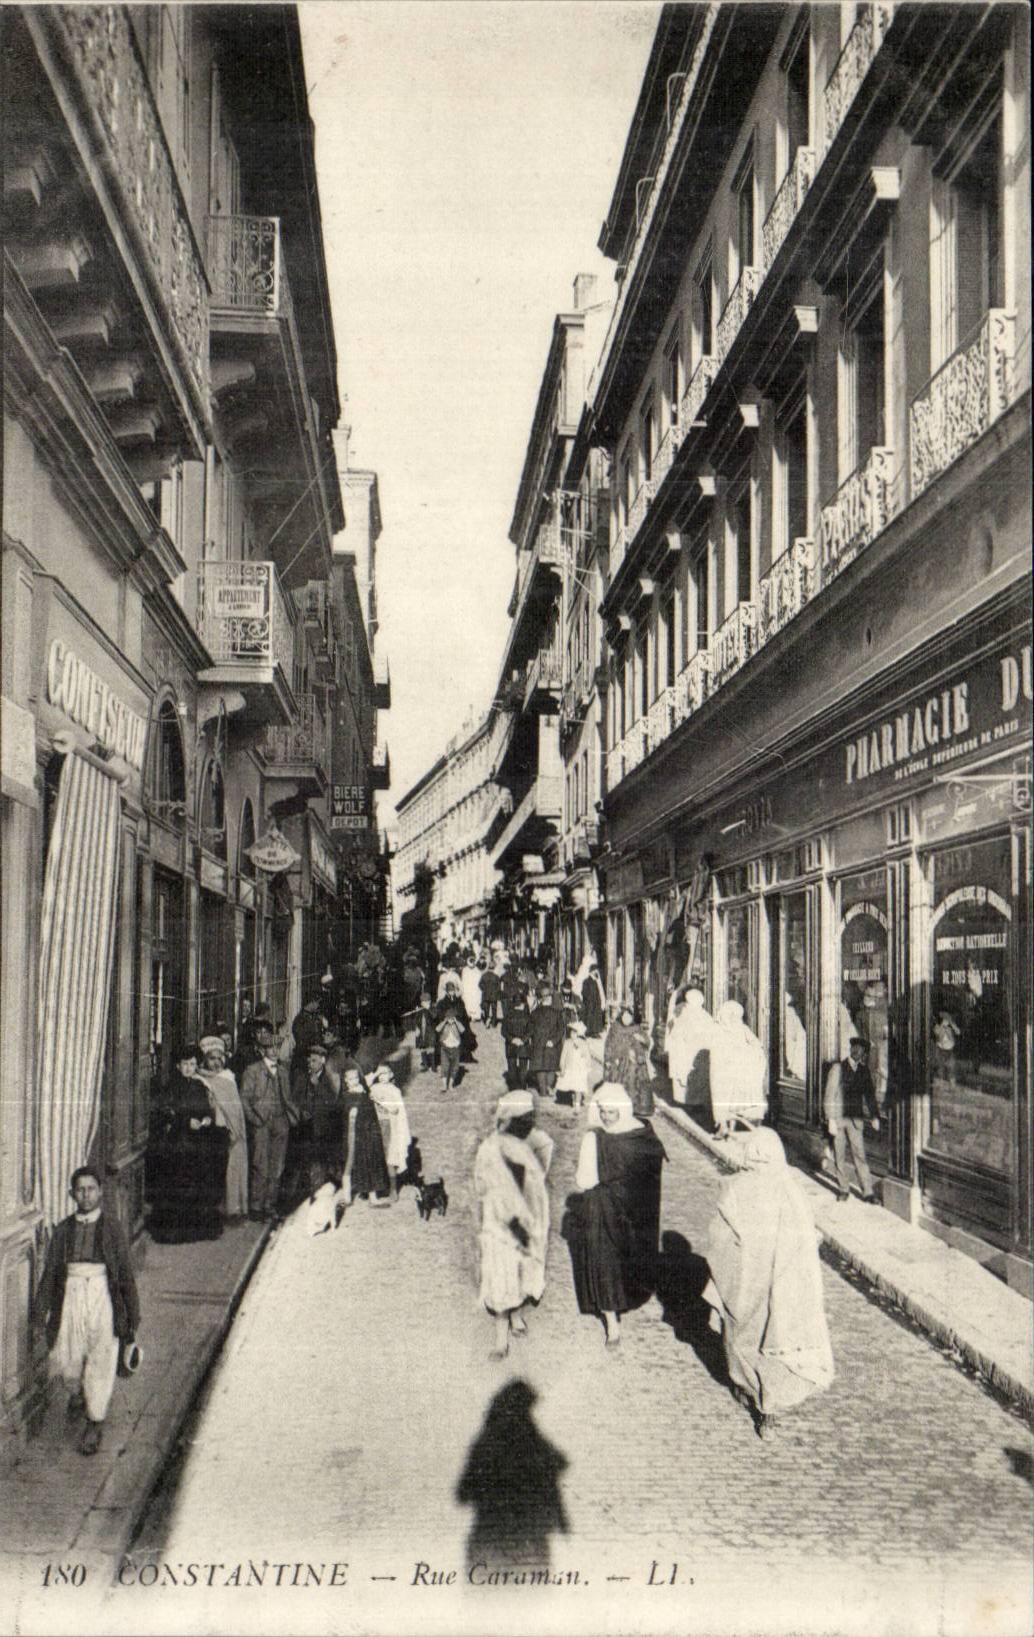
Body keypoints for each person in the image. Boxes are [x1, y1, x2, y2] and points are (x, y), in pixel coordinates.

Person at [703, 1125, 835, 1439]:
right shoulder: (789, 1190)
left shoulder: (738, 1188)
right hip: (771, 1283)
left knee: (746, 1342)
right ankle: (765, 1405)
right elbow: (807, 1239)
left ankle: (756, 1396)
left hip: (751, 1282)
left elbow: (720, 1238)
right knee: (767, 1342)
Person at [37, 1166, 141, 1456]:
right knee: (67, 1358)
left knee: (102, 1354)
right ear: (72, 1194)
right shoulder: (63, 1230)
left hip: (102, 1293)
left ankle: (95, 1422)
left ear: (100, 1192)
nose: (86, 1195)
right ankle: (78, 1392)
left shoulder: (112, 1228)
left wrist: (132, 1315)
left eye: (91, 1189)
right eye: (80, 1190)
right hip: (70, 1293)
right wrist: (39, 1310)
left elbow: (124, 1274)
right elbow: (51, 1273)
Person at [561, 1082, 666, 1346]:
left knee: (605, 1262)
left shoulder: (594, 1140)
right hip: (635, 1210)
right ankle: (613, 1324)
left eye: (611, 1111)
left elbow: (584, 1181)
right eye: (604, 1112)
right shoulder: (642, 1134)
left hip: (604, 1209)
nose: (607, 1117)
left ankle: (612, 1322)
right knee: (625, 1258)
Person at [473, 1090, 554, 1360]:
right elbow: (481, 1184)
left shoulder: (538, 1144)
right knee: (500, 1272)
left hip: (527, 1221)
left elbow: (538, 1181)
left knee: (522, 1268)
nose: (524, 1124)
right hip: (499, 1223)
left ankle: (517, 1314)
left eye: (527, 1119)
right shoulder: (490, 1147)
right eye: (519, 1119)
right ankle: (500, 1338)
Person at [146, 1045, 229, 1242]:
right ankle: (177, 1231)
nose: (189, 1068)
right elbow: (164, 1112)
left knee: (197, 1183)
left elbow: (207, 1110)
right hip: (177, 1143)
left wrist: (207, 1119)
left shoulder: (199, 1086)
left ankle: (196, 1229)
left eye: (192, 1064)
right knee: (179, 1184)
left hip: (197, 1143)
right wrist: (184, 1122)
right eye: (185, 1064)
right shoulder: (171, 1087)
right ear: (178, 1066)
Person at [196, 1035, 248, 1218]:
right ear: (204, 1060)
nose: (216, 1063)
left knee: (230, 1168)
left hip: (228, 1129)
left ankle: (231, 1208)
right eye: (212, 1059)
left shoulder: (228, 1078)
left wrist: (235, 1128)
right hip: (208, 1129)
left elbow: (235, 1109)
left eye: (220, 1059)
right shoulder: (199, 1078)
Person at [823, 1038, 880, 1204]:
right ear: (850, 1049)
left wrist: (875, 1116)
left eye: (861, 1049)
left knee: (860, 1156)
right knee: (839, 1156)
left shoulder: (864, 1071)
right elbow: (829, 1096)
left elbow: (869, 1096)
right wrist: (830, 1119)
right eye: (855, 1047)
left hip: (855, 1121)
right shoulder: (838, 1068)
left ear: (864, 1054)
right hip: (839, 1120)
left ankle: (868, 1192)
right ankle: (843, 1189)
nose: (857, 1051)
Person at [710, 1000, 767, 1135]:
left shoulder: (740, 1028)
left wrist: (746, 1053)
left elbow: (757, 1046)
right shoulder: (720, 1030)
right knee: (725, 1099)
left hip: (735, 1072)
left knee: (731, 1100)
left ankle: (730, 1125)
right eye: (731, 1015)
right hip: (725, 1072)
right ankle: (724, 1125)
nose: (733, 1018)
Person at [340, 1064, 391, 1203]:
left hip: (368, 1132)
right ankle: (347, 1196)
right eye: (351, 1079)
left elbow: (370, 1107)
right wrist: (352, 1113)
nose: (354, 1080)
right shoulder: (346, 1096)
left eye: (356, 1077)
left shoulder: (364, 1091)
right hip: (354, 1135)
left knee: (371, 1161)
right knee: (350, 1163)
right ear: (346, 1081)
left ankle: (373, 1196)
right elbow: (346, 1114)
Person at [666, 987, 715, 1109]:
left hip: (693, 1053)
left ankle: (689, 1101)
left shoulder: (689, 1015)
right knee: (691, 1077)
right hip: (690, 1053)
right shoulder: (702, 1015)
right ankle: (689, 1101)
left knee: (692, 1077)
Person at [603, 1004, 655, 1118]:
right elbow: (609, 1045)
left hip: (636, 1063)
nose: (626, 1019)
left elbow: (647, 1042)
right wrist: (608, 1059)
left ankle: (637, 1108)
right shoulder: (615, 1028)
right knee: (620, 1084)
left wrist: (641, 1039)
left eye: (629, 1017)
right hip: (619, 1062)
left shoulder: (637, 1028)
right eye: (624, 1016)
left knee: (634, 1084)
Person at [370, 1065, 412, 1202]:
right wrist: (374, 1074)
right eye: (380, 1074)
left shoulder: (394, 1090)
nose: (382, 1076)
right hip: (375, 1126)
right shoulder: (374, 1087)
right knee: (376, 1157)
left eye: (385, 1073)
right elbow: (363, 1083)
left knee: (390, 1158)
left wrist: (378, 1101)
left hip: (388, 1126)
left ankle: (393, 1190)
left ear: (391, 1075)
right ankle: (378, 1188)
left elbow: (394, 1109)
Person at [527, 981, 565, 1099]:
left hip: (538, 1045)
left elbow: (530, 1029)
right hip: (552, 1046)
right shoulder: (557, 1013)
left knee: (540, 1067)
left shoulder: (534, 1013)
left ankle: (543, 1090)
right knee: (551, 1067)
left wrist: (527, 1040)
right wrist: (553, 1041)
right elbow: (561, 1030)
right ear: (549, 998)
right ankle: (548, 1088)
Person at [435, 980, 470, 1091]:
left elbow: (463, 1015)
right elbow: (439, 1016)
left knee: (456, 1059)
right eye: (450, 991)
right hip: (446, 1030)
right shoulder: (441, 1003)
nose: (452, 993)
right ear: (446, 991)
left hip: (457, 1029)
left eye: (453, 991)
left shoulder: (460, 1002)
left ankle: (451, 1083)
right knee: (445, 1062)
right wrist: (446, 1019)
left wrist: (457, 1019)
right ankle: (445, 1084)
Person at [555, 1018, 593, 1110]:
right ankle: (572, 1099)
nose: (573, 1035)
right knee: (570, 1085)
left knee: (578, 1088)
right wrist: (562, 1067)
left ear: (579, 1034)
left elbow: (587, 1056)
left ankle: (577, 1104)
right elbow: (563, 1056)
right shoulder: (567, 1043)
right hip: (570, 1068)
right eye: (571, 1033)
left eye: (575, 1033)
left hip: (579, 1070)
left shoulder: (583, 1044)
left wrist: (588, 1066)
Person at [574, 951, 607, 1038]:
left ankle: (595, 1031)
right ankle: (589, 1031)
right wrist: (588, 999)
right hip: (589, 1003)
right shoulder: (587, 981)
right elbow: (584, 992)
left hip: (595, 1003)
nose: (596, 973)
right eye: (595, 971)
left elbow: (599, 992)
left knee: (595, 1017)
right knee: (589, 1017)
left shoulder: (596, 981)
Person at [414, 989, 436, 1073]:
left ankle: (433, 1066)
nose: (425, 1004)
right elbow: (417, 1020)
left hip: (430, 1032)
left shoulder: (433, 1009)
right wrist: (417, 1029)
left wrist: (428, 1009)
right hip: (421, 1032)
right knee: (422, 1047)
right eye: (423, 1002)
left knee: (431, 1048)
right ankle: (425, 1064)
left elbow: (434, 1016)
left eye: (427, 1002)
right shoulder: (420, 1010)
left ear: (430, 1002)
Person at [479, 960, 502, 1029]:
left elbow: (480, 984)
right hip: (494, 996)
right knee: (494, 1009)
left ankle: (486, 1021)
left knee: (486, 1009)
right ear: (494, 968)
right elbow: (499, 987)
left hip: (486, 995)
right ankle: (494, 1023)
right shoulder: (496, 977)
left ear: (488, 967)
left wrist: (484, 990)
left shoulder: (484, 975)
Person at [461, 955, 483, 1023]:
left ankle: (474, 1016)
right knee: (467, 1002)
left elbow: (479, 981)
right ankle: (468, 1015)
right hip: (467, 989)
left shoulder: (477, 971)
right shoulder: (465, 970)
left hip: (474, 990)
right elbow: (463, 980)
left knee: (475, 1002)